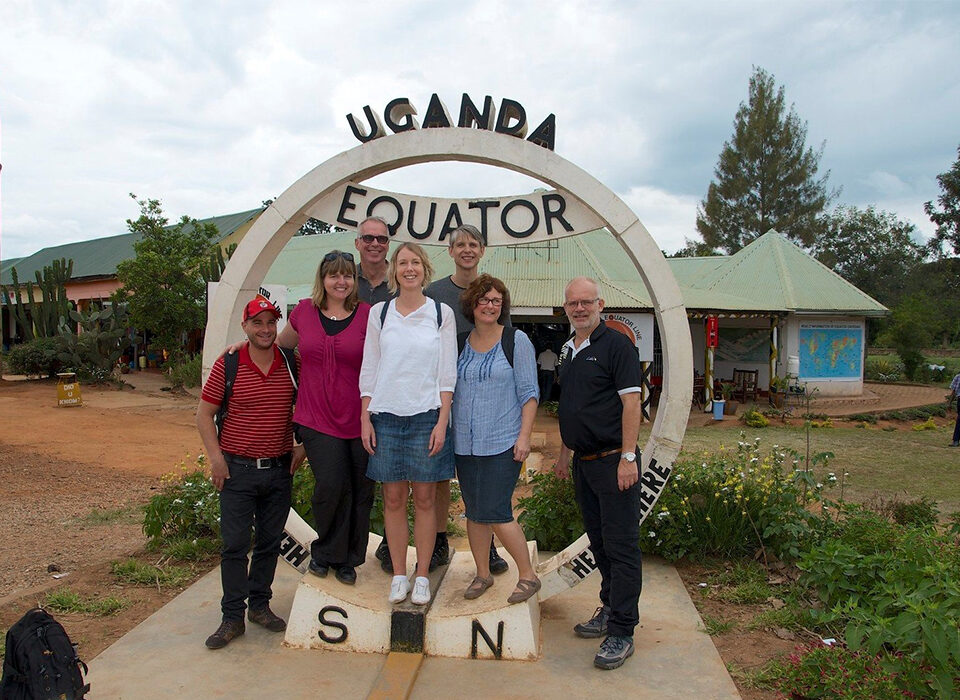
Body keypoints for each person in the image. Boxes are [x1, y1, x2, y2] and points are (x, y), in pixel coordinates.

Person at [197, 295, 305, 650]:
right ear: (245, 326)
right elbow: (204, 414)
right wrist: (216, 459)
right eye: (257, 322)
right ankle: (232, 617)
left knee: (270, 543)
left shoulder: (291, 362)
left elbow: (310, 404)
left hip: (277, 469)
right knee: (234, 546)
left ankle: (259, 606)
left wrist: (301, 446)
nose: (265, 329)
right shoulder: (228, 364)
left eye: (271, 322)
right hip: (237, 471)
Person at [360, 242, 457, 606]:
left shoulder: (440, 314)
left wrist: (442, 420)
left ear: (424, 269)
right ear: (393, 270)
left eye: (415, 262)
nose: (409, 268)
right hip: (385, 417)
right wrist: (365, 416)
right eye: (403, 262)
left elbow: (447, 373)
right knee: (394, 498)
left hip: (426, 416)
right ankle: (399, 574)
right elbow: (370, 367)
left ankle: (422, 575)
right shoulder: (380, 314)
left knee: (427, 499)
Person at [553, 276, 642, 671]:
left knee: (622, 547)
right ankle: (609, 607)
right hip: (583, 463)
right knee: (601, 543)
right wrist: (562, 454)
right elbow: (572, 407)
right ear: (567, 307)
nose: (580, 309)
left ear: (600, 304)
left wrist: (627, 457)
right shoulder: (568, 350)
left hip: (612, 461)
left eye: (586, 302)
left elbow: (631, 404)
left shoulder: (618, 346)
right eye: (573, 303)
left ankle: (622, 630)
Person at [283, 251, 374, 586]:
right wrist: (242, 344)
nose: (341, 281)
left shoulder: (367, 315)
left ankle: (350, 559)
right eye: (334, 275)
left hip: (360, 419)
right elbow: (279, 350)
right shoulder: (304, 312)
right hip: (316, 417)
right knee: (331, 485)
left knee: (360, 489)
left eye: (347, 275)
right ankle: (326, 552)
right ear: (322, 279)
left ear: (355, 280)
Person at [425, 224, 510, 576]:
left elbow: (506, 344)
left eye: (473, 244)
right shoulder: (434, 292)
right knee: (442, 472)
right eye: (460, 244)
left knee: (482, 475)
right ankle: (440, 540)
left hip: (483, 398)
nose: (467, 250)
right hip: (441, 395)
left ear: (482, 250)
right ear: (450, 251)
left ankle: (487, 545)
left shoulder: (493, 291)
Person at [452, 275, 541, 604]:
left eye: (496, 301)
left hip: (503, 442)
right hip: (465, 443)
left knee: (496, 510)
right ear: (471, 304)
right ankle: (483, 573)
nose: (490, 306)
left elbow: (529, 393)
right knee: (474, 512)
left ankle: (529, 576)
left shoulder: (516, 341)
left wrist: (524, 436)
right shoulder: (460, 342)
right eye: (484, 300)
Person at [355, 216, 394, 305]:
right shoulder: (345, 281)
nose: (375, 244)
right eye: (368, 238)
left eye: (382, 239)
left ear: (388, 245)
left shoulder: (401, 281)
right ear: (357, 243)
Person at [949, 370, 960, 447]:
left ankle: (956, 440)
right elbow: (954, 391)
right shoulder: (958, 377)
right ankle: (956, 440)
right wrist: (949, 402)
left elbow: (953, 391)